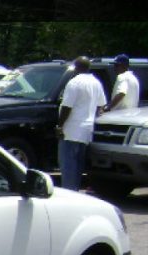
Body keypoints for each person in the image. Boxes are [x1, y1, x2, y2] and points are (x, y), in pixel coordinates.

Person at [56, 56, 106, 191]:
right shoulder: (96, 82)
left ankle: (69, 192)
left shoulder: (74, 82)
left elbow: (67, 106)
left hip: (71, 130)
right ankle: (75, 191)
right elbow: (101, 106)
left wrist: (60, 126)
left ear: (76, 67)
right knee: (78, 165)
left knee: (68, 165)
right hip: (87, 130)